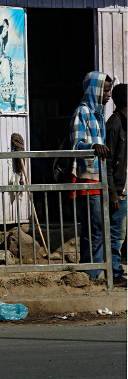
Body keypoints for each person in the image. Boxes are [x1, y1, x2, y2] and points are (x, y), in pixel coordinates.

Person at [70, 71, 112, 280]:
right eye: (105, 90)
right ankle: (90, 273)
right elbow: (76, 145)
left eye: (109, 91)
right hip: (87, 178)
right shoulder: (82, 112)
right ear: (94, 89)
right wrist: (93, 146)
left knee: (98, 228)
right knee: (94, 228)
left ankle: (92, 272)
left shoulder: (99, 115)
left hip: (99, 178)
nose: (108, 95)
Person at [106, 84, 127, 287]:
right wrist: (113, 193)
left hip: (124, 190)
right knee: (116, 235)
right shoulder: (114, 126)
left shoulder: (124, 124)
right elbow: (108, 162)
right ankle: (114, 274)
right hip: (118, 193)